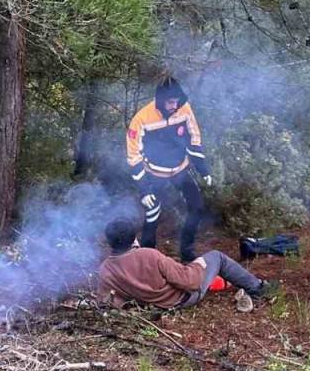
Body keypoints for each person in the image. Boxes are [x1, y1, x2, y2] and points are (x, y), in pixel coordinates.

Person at [96, 218, 278, 311]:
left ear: (110, 242)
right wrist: (198, 265)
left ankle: (247, 286)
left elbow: (109, 302)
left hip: (151, 307)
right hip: (181, 299)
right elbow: (190, 282)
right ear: (133, 237)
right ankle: (260, 288)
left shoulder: (106, 269)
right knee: (216, 257)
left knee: (193, 265)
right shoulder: (149, 255)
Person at [125, 76, 212, 262]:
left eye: (177, 101)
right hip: (155, 174)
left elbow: (194, 137)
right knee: (152, 214)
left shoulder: (184, 109)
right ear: (160, 100)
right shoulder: (141, 119)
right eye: (170, 102)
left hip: (181, 170)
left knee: (197, 208)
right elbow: (133, 157)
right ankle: (149, 259)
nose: (174, 106)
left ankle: (187, 254)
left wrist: (203, 169)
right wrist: (144, 190)